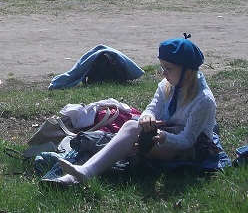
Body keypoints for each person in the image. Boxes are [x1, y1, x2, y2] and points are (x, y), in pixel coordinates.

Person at [52, 37, 219, 187]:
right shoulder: (166, 85)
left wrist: (164, 137)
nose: (163, 73)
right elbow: (153, 108)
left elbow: (188, 140)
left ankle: (78, 175)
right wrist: (147, 117)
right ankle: (82, 173)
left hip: (192, 147)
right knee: (132, 128)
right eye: (162, 67)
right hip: (165, 133)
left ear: (187, 69)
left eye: (168, 68)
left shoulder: (203, 100)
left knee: (126, 146)